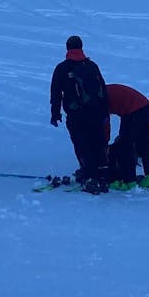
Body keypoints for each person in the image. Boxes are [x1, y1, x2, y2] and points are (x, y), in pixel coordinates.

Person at [50, 35, 110, 193]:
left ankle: (90, 176)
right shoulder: (92, 65)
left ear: (67, 48)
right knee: (97, 142)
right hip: (96, 113)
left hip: (76, 114)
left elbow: (56, 93)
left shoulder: (62, 68)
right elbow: (103, 89)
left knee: (82, 144)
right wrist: (104, 112)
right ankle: (102, 175)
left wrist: (55, 113)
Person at [106, 84, 149, 191]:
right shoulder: (103, 90)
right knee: (143, 144)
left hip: (133, 111)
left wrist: (104, 143)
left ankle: (129, 182)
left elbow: (105, 122)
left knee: (125, 146)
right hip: (144, 107)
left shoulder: (98, 97)